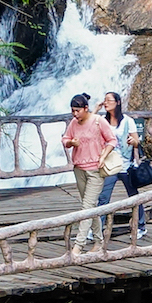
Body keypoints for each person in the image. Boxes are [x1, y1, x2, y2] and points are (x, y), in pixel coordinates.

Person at [60, 92, 118, 249]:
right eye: (72, 110)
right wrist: (71, 142)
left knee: (86, 207)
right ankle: (99, 242)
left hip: (95, 171)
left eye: (77, 110)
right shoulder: (73, 123)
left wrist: (103, 156)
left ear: (86, 108)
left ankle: (78, 245)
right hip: (79, 169)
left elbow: (112, 140)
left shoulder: (99, 122)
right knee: (90, 206)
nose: (75, 114)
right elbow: (65, 139)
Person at [95, 91, 149, 244]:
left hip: (125, 165)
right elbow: (88, 125)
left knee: (133, 196)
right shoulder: (101, 121)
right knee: (103, 197)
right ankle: (97, 229)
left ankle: (140, 226)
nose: (106, 103)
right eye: (104, 100)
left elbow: (137, 141)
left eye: (109, 100)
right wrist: (95, 109)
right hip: (109, 165)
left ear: (117, 102)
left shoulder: (128, 121)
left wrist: (133, 141)